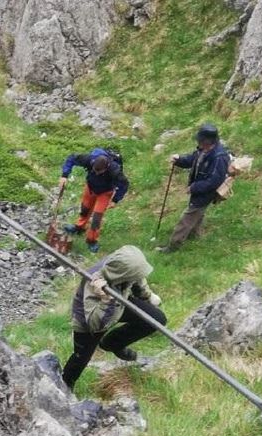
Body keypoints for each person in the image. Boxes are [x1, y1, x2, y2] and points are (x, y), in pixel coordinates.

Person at [62, 245, 165, 390]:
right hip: (93, 316)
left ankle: (113, 343)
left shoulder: (123, 267)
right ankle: (65, 385)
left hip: (120, 303)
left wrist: (147, 296)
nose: (139, 275)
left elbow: (137, 279)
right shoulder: (93, 282)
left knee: (156, 319)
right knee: (81, 358)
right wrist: (106, 299)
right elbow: (95, 324)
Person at [156, 123, 230, 253]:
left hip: (206, 192)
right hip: (200, 190)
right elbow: (192, 160)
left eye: (200, 140)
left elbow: (214, 181)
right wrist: (179, 160)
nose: (198, 142)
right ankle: (194, 235)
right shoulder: (203, 150)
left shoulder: (219, 157)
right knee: (198, 212)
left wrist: (194, 187)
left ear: (207, 141)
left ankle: (173, 246)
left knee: (187, 217)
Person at [57, 148, 130, 254]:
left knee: (97, 217)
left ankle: (92, 240)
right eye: (94, 170)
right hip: (90, 187)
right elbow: (71, 158)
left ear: (106, 168)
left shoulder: (115, 170)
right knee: (85, 208)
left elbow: (124, 184)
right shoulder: (89, 160)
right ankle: (79, 227)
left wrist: (115, 200)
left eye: (99, 172)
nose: (96, 173)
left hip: (105, 192)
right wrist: (64, 175)